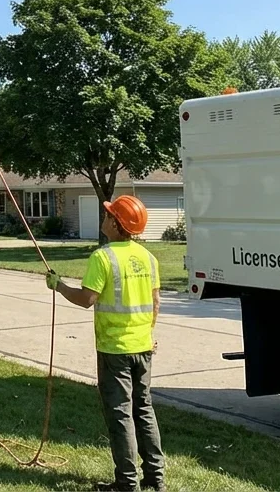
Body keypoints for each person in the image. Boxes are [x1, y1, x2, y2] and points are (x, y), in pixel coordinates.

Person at [46, 195, 165, 492]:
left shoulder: (103, 257)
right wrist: (149, 334)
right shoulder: (149, 258)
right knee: (144, 410)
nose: (104, 218)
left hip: (115, 350)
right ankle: (155, 477)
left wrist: (58, 285)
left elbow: (87, 299)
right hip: (144, 348)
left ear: (116, 223)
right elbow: (155, 302)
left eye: (108, 214)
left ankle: (126, 483)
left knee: (121, 414)